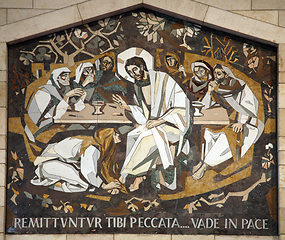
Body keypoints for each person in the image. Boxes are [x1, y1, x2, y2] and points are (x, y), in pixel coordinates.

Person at [114, 47, 192, 191]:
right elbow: (144, 113)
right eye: (130, 72)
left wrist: (160, 120)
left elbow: (182, 106)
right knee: (133, 136)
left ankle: (123, 177)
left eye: (135, 70)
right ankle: (139, 177)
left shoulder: (162, 79)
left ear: (142, 66)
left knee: (145, 140)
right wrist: (127, 107)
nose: (133, 74)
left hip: (172, 124)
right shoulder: (137, 87)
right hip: (153, 126)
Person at [192, 64, 264, 180]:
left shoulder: (239, 86)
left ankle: (204, 165)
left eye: (219, 73)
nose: (216, 76)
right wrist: (209, 91)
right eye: (215, 73)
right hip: (228, 120)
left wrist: (241, 122)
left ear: (226, 74)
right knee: (207, 131)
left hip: (246, 123)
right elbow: (205, 106)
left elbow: (249, 106)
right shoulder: (218, 88)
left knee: (223, 137)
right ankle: (203, 160)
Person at [30, 128, 124, 194]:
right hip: (47, 166)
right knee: (86, 185)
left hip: (56, 164)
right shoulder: (91, 147)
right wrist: (104, 186)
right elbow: (88, 172)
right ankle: (55, 185)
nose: (119, 136)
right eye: (115, 134)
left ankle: (58, 183)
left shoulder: (94, 144)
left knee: (88, 184)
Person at [24, 67, 86, 143]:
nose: (67, 78)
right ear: (56, 78)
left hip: (53, 123)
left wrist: (82, 98)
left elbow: (72, 108)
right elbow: (56, 116)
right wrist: (67, 96)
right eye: (64, 76)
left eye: (68, 75)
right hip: (40, 130)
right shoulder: (44, 91)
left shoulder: (59, 90)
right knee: (80, 132)